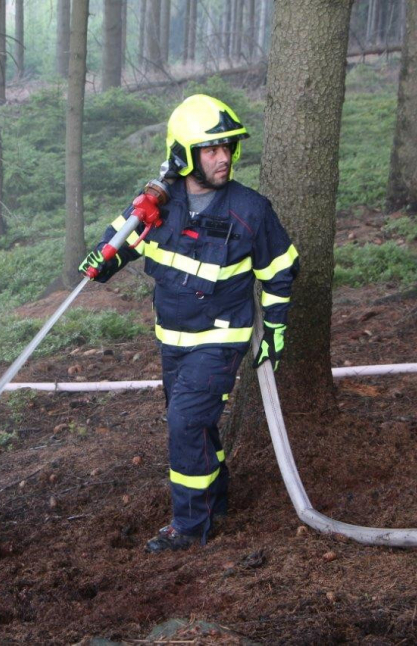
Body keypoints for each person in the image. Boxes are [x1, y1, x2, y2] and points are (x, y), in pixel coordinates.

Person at [78, 94, 299, 553]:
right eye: (212, 149)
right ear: (183, 154)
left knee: (183, 422)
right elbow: (118, 243)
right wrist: (102, 259)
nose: (224, 158)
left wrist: (275, 329)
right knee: (198, 427)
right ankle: (215, 502)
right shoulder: (159, 204)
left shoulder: (250, 210)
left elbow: (280, 270)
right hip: (171, 340)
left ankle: (190, 526)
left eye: (228, 148)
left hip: (220, 339)